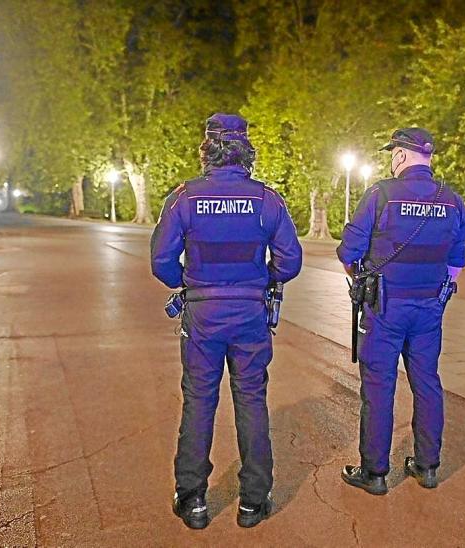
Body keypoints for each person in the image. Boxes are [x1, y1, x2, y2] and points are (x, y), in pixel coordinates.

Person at [150, 113, 302, 529]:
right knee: (251, 399)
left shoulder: (184, 198)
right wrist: (262, 279)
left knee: (199, 400)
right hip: (250, 312)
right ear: (245, 150)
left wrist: (192, 283)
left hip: (202, 312)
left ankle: (193, 499)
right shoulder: (267, 200)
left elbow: (161, 261)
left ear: (207, 149)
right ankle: (254, 500)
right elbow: (290, 261)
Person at [336, 127, 465, 495]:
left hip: (384, 307)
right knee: (427, 382)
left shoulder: (381, 195)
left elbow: (348, 254)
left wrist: (361, 280)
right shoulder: (453, 200)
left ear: (400, 155)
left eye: (393, 153)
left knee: (379, 387)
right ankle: (427, 466)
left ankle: (375, 472)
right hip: (429, 308)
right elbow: (457, 261)